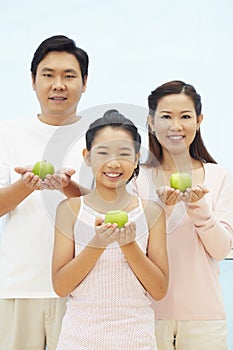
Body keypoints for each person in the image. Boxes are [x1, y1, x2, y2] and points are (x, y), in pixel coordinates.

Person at [0, 35, 92, 350]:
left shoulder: (101, 137)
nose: (58, 84)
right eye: (48, 75)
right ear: (32, 80)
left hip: (84, 291)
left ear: (84, 82)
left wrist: (69, 189)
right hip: (19, 288)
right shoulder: (7, 132)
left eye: (69, 76)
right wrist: (25, 186)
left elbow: (113, 210)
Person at [52, 109, 169, 349]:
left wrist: (128, 244)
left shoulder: (152, 213)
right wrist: (98, 243)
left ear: (137, 158)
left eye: (124, 154)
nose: (113, 163)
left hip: (136, 340)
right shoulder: (70, 210)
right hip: (78, 340)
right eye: (103, 152)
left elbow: (158, 290)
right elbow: (61, 287)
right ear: (87, 156)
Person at [132, 80, 233, 350]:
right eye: (166, 117)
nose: (176, 126)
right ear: (150, 122)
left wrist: (198, 207)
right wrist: (161, 211)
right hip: (144, 316)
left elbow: (221, 250)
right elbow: (133, 247)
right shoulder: (136, 178)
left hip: (205, 320)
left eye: (185, 117)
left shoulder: (218, 176)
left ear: (199, 121)